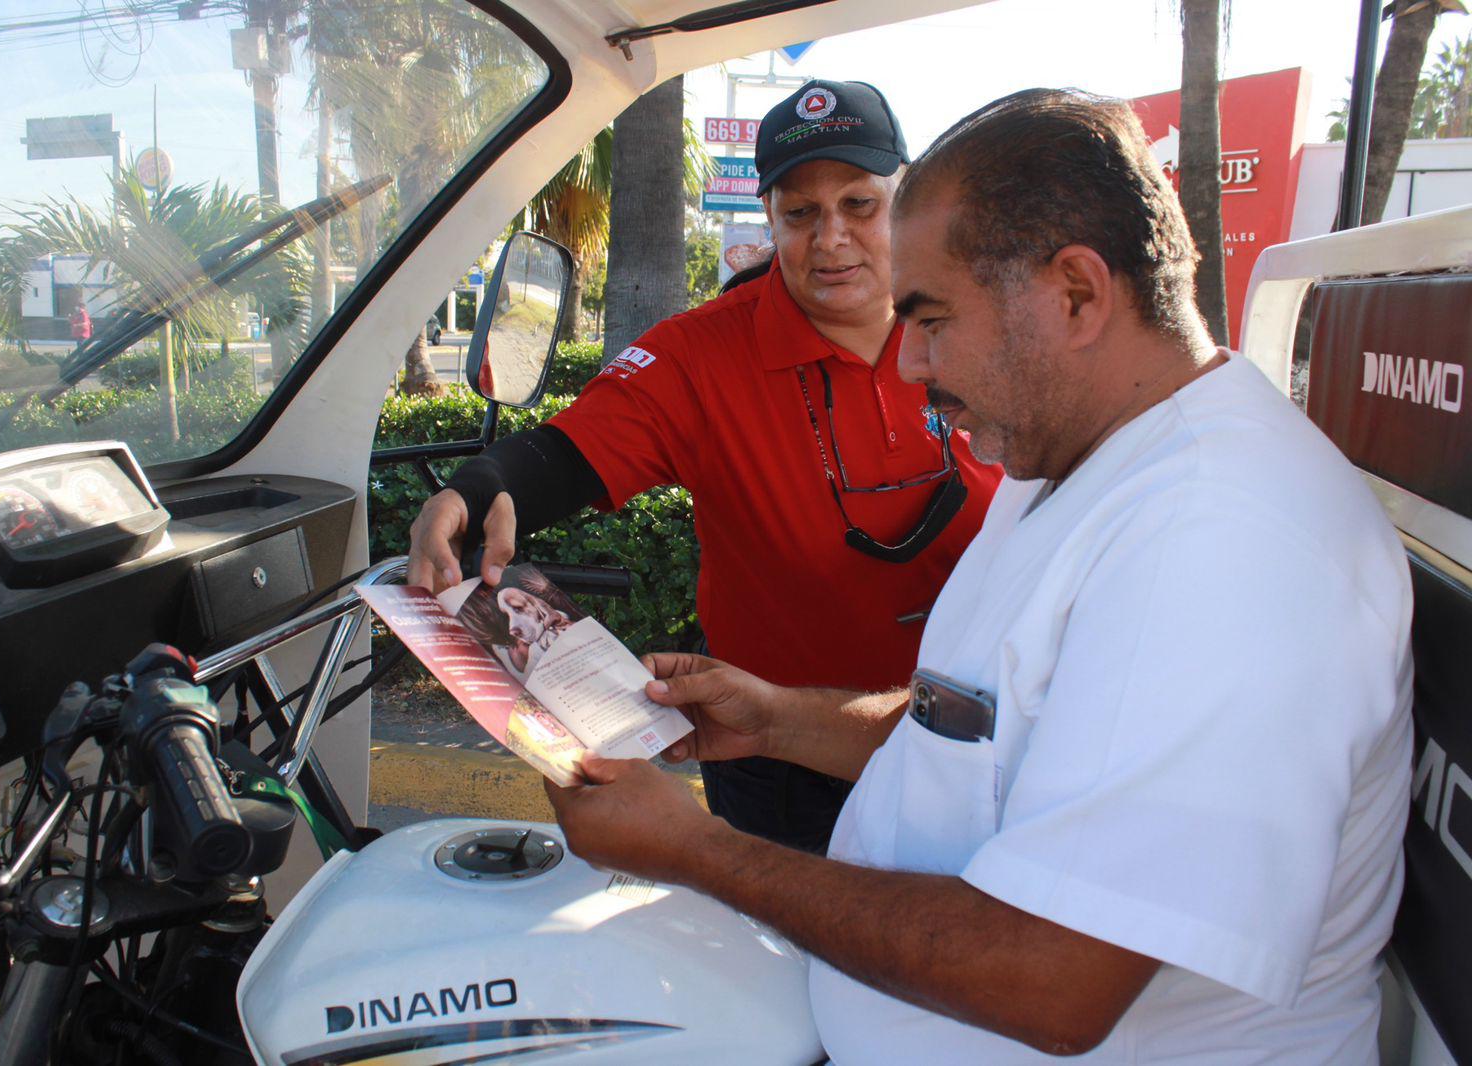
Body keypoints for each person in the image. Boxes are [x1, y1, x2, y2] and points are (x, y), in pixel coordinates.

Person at [544, 88, 1413, 1062]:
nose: (907, 361)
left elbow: (1056, 977)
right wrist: (781, 717)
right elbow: (993, 735)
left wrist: (693, 850)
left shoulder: (1223, 542)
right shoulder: (1079, 457)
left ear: (1075, 295)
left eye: (931, 317)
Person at [405, 80, 1001, 852]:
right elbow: (572, 450)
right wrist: (470, 494)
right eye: (800, 214)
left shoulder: (984, 318)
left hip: (976, 738)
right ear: (770, 220)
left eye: (860, 204)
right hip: (779, 757)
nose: (831, 239)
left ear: (907, 198)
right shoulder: (701, 352)